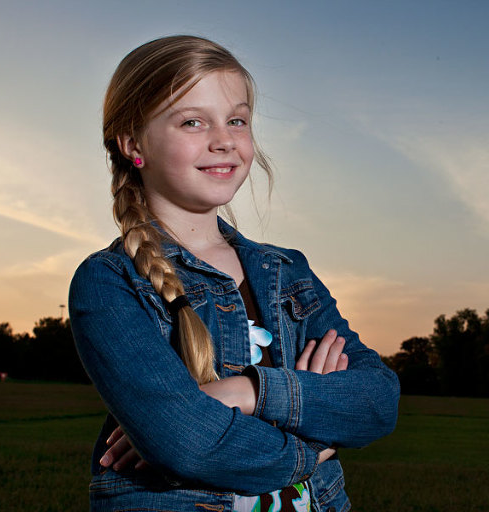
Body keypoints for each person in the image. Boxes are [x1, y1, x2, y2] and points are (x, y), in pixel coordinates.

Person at [69, 35, 400, 512]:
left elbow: (377, 400)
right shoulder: (109, 281)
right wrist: (315, 441)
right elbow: (188, 444)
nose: (224, 140)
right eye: (193, 121)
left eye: (237, 120)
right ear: (133, 144)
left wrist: (247, 392)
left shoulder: (287, 271)